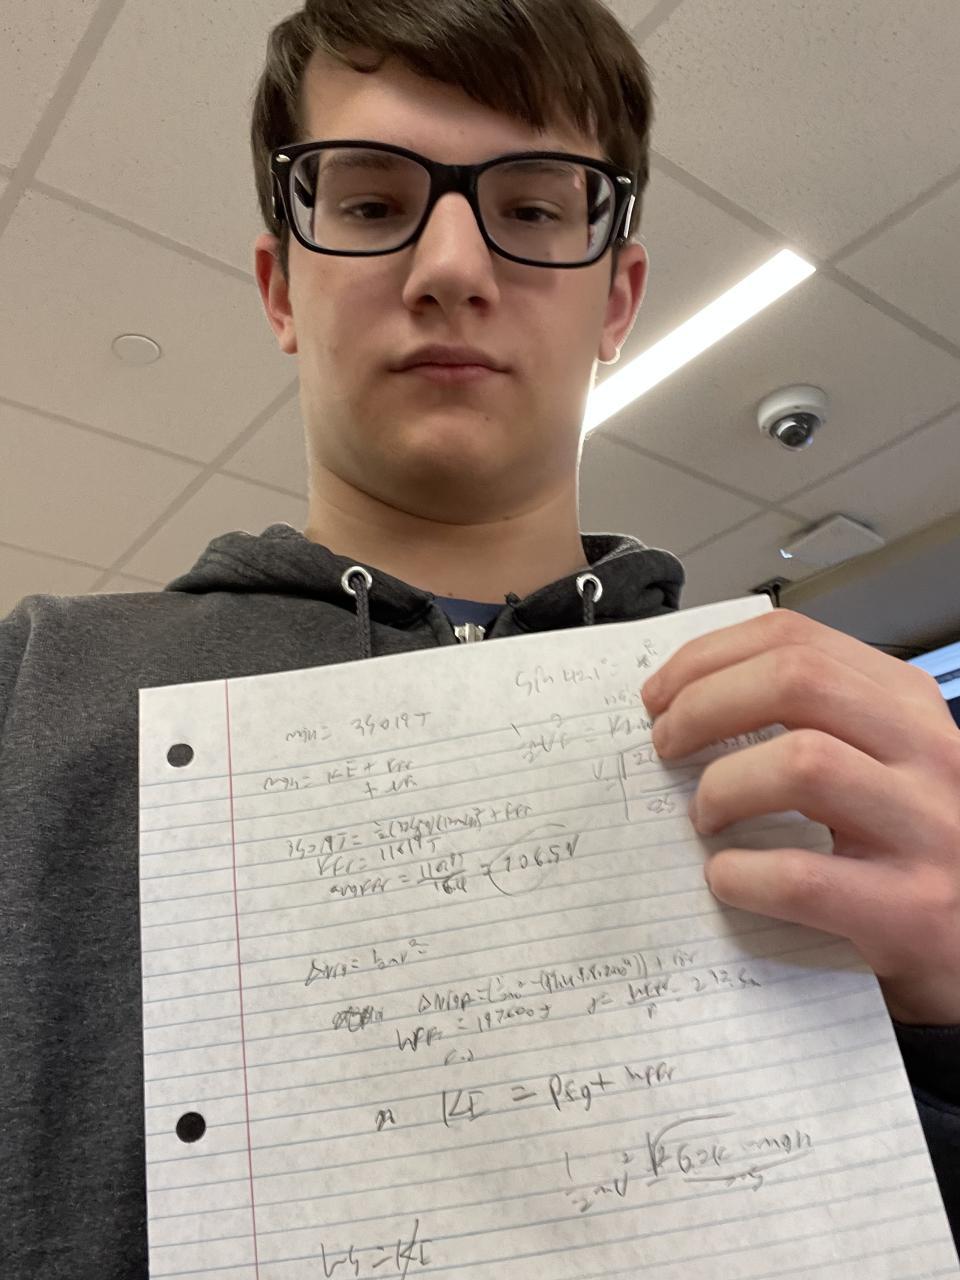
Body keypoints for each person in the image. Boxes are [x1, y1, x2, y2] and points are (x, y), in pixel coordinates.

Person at [2, 2, 959, 1275]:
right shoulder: (30, 693)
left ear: (618, 297)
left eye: (533, 208)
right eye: (370, 201)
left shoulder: (816, 744)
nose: (451, 265)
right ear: (282, 285)